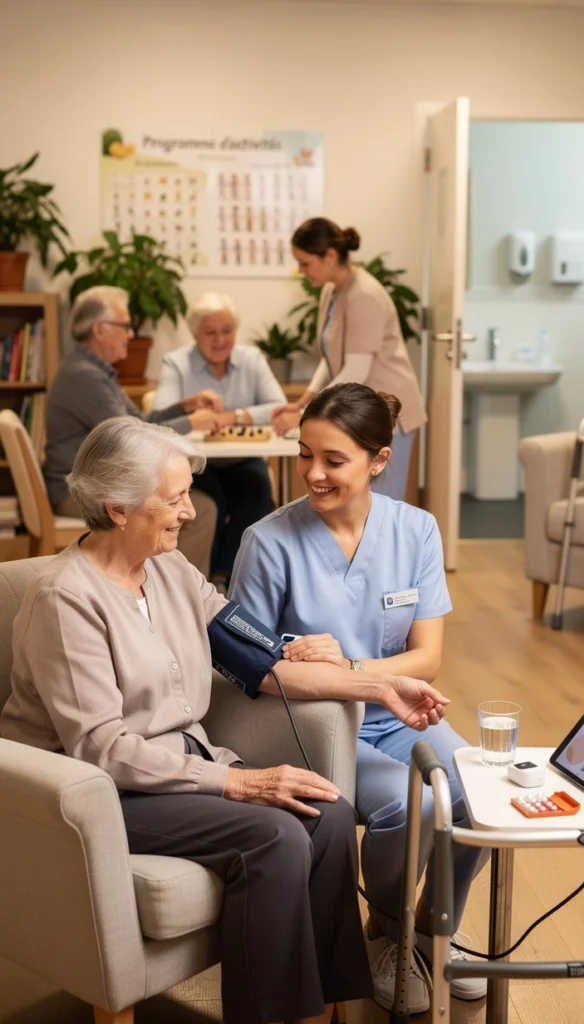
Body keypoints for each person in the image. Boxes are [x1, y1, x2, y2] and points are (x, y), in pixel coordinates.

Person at [0, 415, 450, 1024]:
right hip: (99, 793)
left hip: (177, 770)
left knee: (329, 811)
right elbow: (103, 749)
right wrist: (240, 781)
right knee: (273, 833)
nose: (190, 512)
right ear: (119, 508)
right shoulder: (66, 599)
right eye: (176, 497)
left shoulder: (171, 572)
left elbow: (263, 661)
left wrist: (377, 684)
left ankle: (320, 1009)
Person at [230, 383, 487, 1014]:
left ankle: (433, 925)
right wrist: (345, 677)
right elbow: (250, 665)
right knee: (409, 808)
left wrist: (351, 663)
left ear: (378, 459)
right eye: (304, 455)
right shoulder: (267, 542)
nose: (314, 474)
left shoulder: (416, 530)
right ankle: (388, 934)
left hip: (400, 713)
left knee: (475, 794)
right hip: (312, 723)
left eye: (334, 460)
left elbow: (426, 657)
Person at [44, 285, 221, 577]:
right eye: (124, 326)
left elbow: (139, 420)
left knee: (201, 503)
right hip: (78, 493)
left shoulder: (95, 370)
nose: (131, 334)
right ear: (99, 330)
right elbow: (131, 441)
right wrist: (193, 422)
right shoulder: (85, 377)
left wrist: (184, 407)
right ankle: (179, 591)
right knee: (200, 511)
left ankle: (173, 587)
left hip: (97, 484)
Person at [271, 218, 427, 501]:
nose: (300, 270)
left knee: (381, 505)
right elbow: (330, 358)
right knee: (356, 506)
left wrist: (306, 411)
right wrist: (302, 399)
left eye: (305, 263)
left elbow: (356, 369)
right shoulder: (332, 291)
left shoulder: (364, 294)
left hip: (390, 411)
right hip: (362, 406)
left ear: (329, 256)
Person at [153, 292, 287, 584]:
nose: (220, 340)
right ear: (195, 334)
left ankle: (224, 575)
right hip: (197, 463)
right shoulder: (177, 362)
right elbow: (158, 416)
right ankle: (199, 581)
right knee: (213, 503)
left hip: (243, 459)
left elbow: (278, 407)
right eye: (210, 332)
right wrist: (192, 413)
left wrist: (233, 417)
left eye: (227, 331)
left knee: (258, 494)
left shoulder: (251, 358)